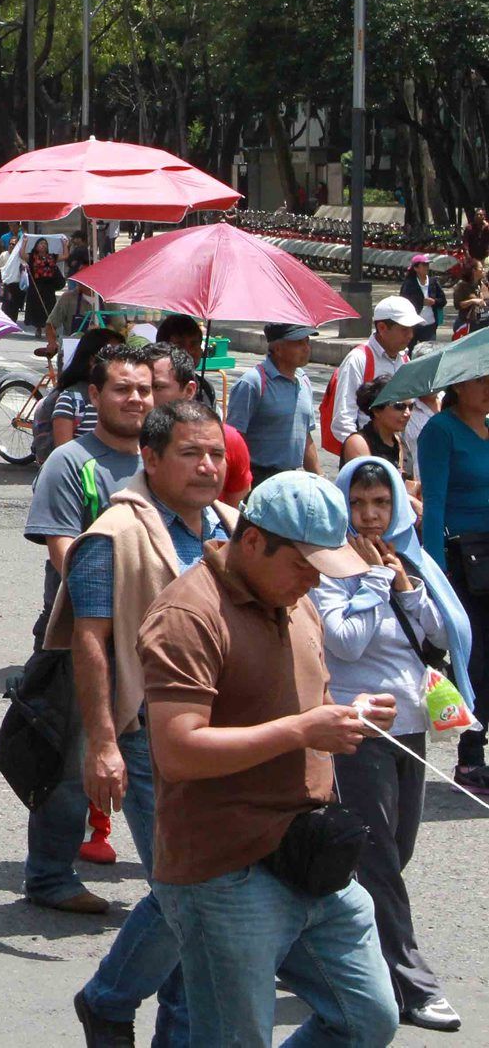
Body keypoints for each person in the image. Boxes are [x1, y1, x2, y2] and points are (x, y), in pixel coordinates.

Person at [138, 472, 400, 1048]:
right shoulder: (188, 614)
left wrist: (343, 712)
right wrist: (302, 730)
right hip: (228, 871)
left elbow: (302, 699)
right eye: (303, 564)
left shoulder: (294, 599)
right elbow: (179, 750)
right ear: (252, 540)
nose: (313, 581)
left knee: (368, 1020)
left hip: (311, 858)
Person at [49, 397, 233, 1046]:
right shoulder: (113, 535)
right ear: (149, 458)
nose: (207, 464)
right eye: (190, 452)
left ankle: (118, 1000)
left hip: (221, 738)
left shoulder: (229, 528)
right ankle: (115, 998)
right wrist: (101, 740)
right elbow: (90, 638)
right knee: (189, 891)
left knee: (199, 891)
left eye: (214, 451)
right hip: (148, 734)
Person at [320, 458, 466, 1033]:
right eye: (359, 504)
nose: (371, 516)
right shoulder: (330, 568)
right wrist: (375, 583)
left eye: (381, 503)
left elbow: (436, 633)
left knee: (391, 852)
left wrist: (403, 583)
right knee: (379, 860)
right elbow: (345, 644)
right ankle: (411, 983)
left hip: (411, 725)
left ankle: (311, 946)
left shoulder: (408, 559)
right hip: (360, 728)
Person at [20, 341, 154, 912]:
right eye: (122, 389)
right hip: (85, 637)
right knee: (73, 764)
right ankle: (49, 876)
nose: (136, 399)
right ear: (95, 396)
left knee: (159, 761)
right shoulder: (69, 462)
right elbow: (62, 550)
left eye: (145, 389)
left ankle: (177, 879)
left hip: (159, 642)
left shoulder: (165, 460)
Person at [413, 369, 489, 791]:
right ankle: (469, 757)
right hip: (463, 560)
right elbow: (434, 501)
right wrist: (434, 569)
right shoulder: (441, 430)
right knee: (472, 658)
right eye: (482, 380)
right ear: (458, 385)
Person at [224, 323, 322, 480]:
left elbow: (306, 435)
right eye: (298, 343)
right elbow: (234, 438)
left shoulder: (303, 380)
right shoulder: (253, 382)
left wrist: (319, 478)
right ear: (277, 349)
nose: (306, 348)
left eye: (307, 341)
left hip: (293, 478)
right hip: (257, 477)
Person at [326, 298, 421, 456]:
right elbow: (344, 420)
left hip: (398, 451)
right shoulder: (358, 359)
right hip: (367, 452)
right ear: (382, 328)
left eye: (412, 329)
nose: (410, 335)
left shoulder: (404, 360)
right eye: (404, 329)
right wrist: (361, 455)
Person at [400, 255, 446, 344]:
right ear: (416, 268)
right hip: (412, 325)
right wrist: (421, 302)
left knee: (429, 351)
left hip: (430, 325)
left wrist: (434, 302)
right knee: (409, 351)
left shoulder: (433, 282)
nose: (427, 267)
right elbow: (403, 302)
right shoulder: (409, 283)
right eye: (424, 265)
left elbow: (443, 300)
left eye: (427, 265)